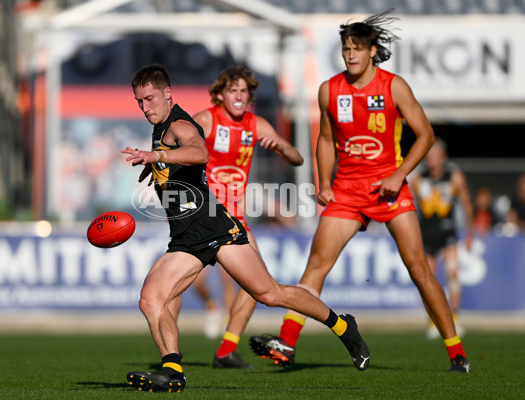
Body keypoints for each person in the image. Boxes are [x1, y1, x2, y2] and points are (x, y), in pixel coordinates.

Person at [121, 64, 370, 392]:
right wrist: (159, 166)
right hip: (186, 236)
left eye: (150, 99)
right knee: (152, 298)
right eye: (140, 101)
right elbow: (177, 162)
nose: (145, 107)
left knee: (269, 293)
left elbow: (199, 151)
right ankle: (172, 370)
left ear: (167, 93)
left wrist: (155, 156)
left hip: (213, 226)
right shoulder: (161, 127)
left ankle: (342, 325)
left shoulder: (179, 124)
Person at [248, 10, 471, 373]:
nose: (350, 54)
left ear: (372, 51)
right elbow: (324, 140)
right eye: (346, 48)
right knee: (316, 266)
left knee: (419, 270)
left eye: (357, 48)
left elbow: (426, 135)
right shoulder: (330, 90)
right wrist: (323, 184)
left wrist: (399, 174)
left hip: (388, 189)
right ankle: (286, 344)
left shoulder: (393, 86)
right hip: (347, 192)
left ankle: (456, 352)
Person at [192, 65, 304, 367]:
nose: (240, 96)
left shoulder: (257, 124)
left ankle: (226, 350)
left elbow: (297, 157)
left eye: (244, 91)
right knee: (184, 283)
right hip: (203, 216)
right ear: (220, 94)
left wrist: (280, 145)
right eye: (233, 90)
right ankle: (169, 355)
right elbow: (178, 144)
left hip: (235, 219)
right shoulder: (205, 120)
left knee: (255, 282)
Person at [410, 138, 474, 339]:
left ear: (443, 158)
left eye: (435, 157)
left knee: (453, 276)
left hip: (448, 233)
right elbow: (409, 208)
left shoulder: (454, 177)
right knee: (428, 279)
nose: (431, 161)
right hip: (426, 233)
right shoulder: (419, 178)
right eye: (428, 157)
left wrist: (470, 234)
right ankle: (433, 320)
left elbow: (466, 204)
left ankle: (454, 317)